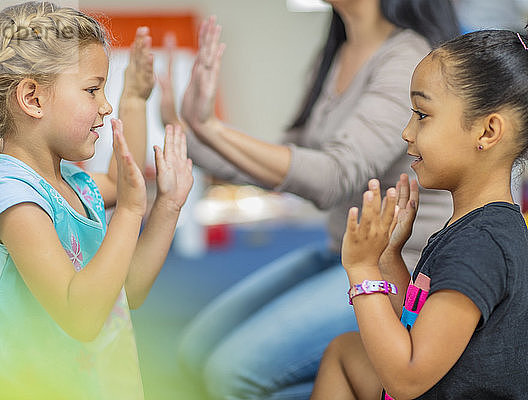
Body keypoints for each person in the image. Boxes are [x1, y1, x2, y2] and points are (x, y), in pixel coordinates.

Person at [166, 1, 459, 399]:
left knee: (232, 374)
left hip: (397, 265)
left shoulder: (408, 58)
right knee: (194, 350)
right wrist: (185, 135)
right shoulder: (338, 51)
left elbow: (332, 178)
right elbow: (283, 162)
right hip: (341, 251)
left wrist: (211, 129)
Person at [0, 2, 193, 399]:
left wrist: (168, 206)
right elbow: (81, 315)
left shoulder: (76, 183)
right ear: (33, 99)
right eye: (93, 89)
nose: (105, 105)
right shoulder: (11, 197)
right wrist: (128, 209)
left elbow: (128, 289)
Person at [312, 29, 528, 399]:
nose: (406, 132)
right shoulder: (476, 226)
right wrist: (387, 258)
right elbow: (415, 323)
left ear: (488, 131)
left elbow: (407, 380)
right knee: (343, 352)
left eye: (422, 114)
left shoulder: (480, 246)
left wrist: (362, 271)